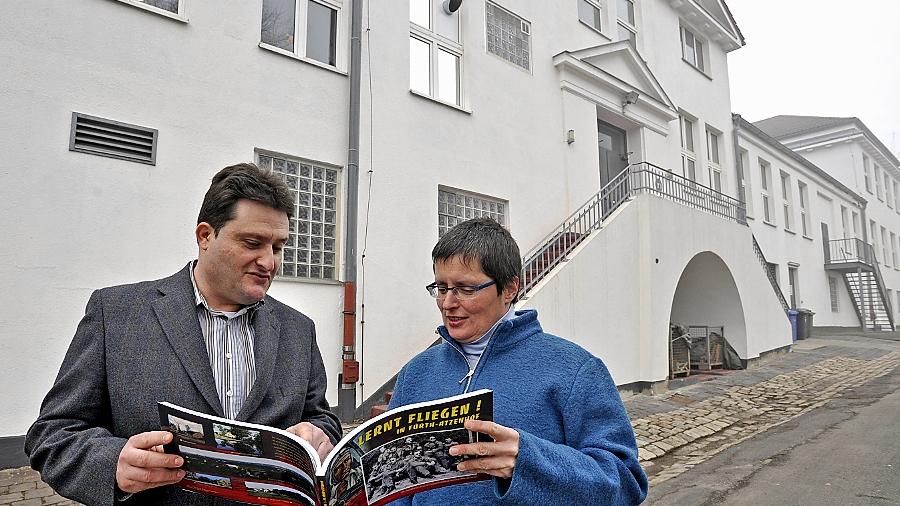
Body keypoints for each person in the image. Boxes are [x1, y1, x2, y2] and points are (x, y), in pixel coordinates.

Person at [25, 163, 341, 505]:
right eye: (253, 243)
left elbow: (320, 416)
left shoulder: (298, 329)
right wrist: (114, 463)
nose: (269, 262)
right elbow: (53, 435)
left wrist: (320, 434)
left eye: (278, 247)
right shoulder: (116, 313)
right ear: (205, 236)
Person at [387, 218, 648, 505]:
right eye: (441, 287)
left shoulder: (575, 369)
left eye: (465, 288)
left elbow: (625, 483)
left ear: (510, 288)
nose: (448, 302)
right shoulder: (416, 373)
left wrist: (528, 461)